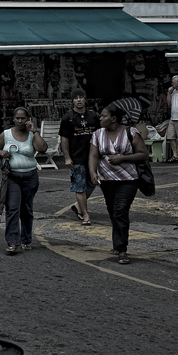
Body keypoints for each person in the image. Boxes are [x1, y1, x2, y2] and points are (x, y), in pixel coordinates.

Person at [88, 104, 148, 265]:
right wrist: (93, 173)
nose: (100, 118)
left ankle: (122, 250)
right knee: (113, 211)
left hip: (128, 179)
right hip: (106, 180)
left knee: (121, 210)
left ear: (113, 119)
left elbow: (143, 153)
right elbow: (93, 155)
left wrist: (122, 158)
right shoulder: (97, 134)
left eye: (103, 116)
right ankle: (117, 241)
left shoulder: (131, 132)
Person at [0, 108, 47, 255]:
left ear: (28, 119)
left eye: (23, 118)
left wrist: (35, 131)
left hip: (30, 176)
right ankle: (12, 242)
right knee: (13, 209)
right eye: (17, 118)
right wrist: (0, 152)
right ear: (13, 119)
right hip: (11, 177)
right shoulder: (6, 134)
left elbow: (42, 149)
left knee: (27, 210)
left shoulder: (31, 135)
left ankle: (26, 239)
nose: (20, 121)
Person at [59, 88, 101, 226]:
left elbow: (100, 134)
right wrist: (67, 157)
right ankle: (85, 214)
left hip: (92, 158)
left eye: (81, 97)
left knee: (92, 184)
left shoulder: (93, 116)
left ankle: (78, 206)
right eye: (75, 98)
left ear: (85, 99)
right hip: (76, 158)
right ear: (72, 100)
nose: (78, 100)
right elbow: (64, 139)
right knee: (79, 187)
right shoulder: (67, 118)